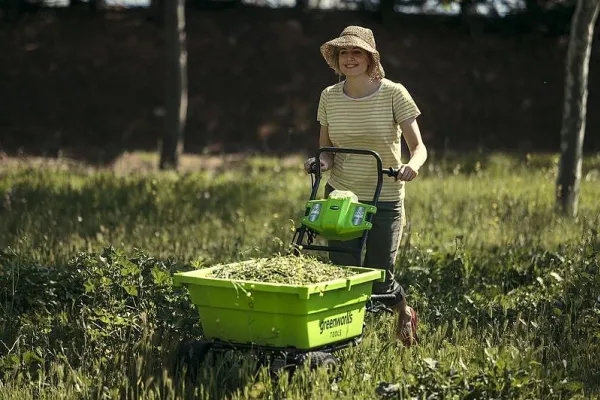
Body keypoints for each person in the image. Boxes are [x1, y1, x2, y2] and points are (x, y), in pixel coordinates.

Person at [303, 26, 427, 347]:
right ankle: (346, 337)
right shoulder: (329, 96)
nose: (349, 58)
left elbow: (418, 148)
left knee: (380, 276)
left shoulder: (394, 93)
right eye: (343, 52)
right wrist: (320, 163)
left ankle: (404, 312)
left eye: (357, 52)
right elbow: (327, 150)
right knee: (344, 271)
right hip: (342, 197)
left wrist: (411, 166)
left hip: (384, 196)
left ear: (370, 58)